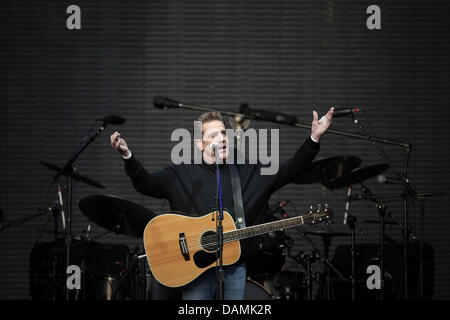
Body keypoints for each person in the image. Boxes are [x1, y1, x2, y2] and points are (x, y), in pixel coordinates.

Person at [110, 107, 334, 300]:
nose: (222, 138)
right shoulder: (180, 173)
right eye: (214, 135)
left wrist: (314, 139)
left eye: (224, 133)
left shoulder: (248, 172)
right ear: (199, 143)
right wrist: (128, 156)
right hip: (195, 271)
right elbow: (147, 184)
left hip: (234, 267)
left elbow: (290, 170)